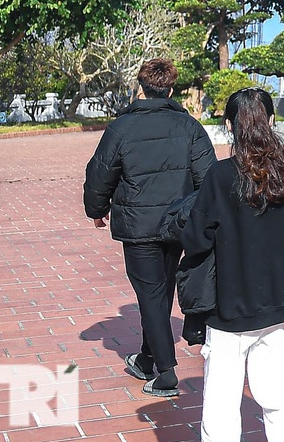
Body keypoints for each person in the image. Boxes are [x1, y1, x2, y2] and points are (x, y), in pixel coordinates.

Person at [175, 88, 284, 442]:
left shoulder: (221, 175)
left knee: (222, 404)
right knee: (278, 393)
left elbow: (196, 238)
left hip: (233, 306)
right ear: (272, 122)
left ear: (229, 127)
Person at [82, 56, 215, 398]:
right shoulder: (189, 127)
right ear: (170, 89)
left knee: (151, 293)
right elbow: (208, 179)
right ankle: (145, 358)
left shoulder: (122, 127)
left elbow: (100, 173)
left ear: (140, 87)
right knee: (157, 293)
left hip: (138, 226)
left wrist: (96, 209)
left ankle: (166, 371)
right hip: (177, 225)